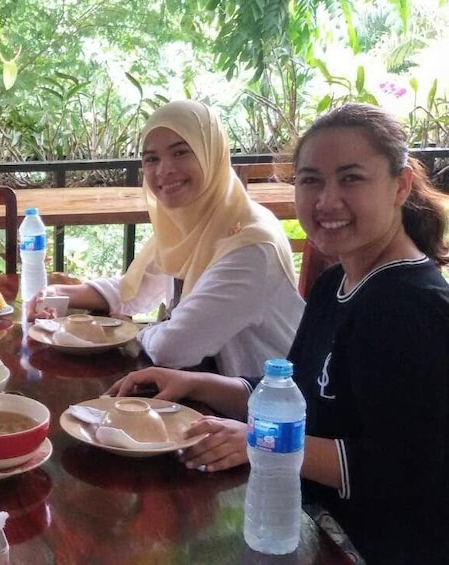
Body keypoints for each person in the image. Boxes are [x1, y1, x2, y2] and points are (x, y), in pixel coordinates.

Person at [110, 103, 449, 562]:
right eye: (311, 180)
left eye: (351, 178)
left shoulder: (415, 307)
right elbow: (298, 396)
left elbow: (406, 469)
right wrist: (197, 383)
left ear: (400, 185)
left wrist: (259, 442)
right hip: (300, 517)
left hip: (364, 543)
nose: (327, 201)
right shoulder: (336, 283)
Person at [28, 100, 303, 377]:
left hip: (259, 408)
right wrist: (59, 293)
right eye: (151, 159)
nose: (164, 170)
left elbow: (175, 347)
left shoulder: (251, 244)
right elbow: (134, 290)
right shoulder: (196, 223)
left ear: (212, 153)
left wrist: (136, 332)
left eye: (181, 152)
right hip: (200, 388)